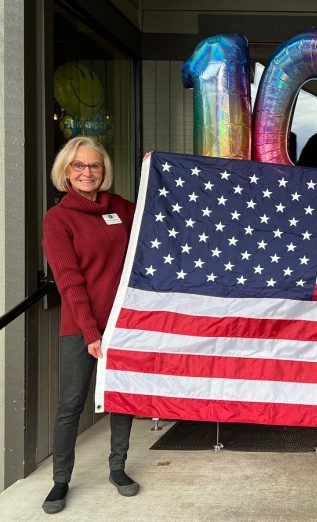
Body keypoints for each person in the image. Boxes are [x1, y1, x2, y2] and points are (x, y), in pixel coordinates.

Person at [41, 136, 138, 514]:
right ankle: (60, 481)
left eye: (94, 166)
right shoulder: (58, 219)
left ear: (104, 171)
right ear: (66, 170)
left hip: (123, 323)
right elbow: (69, 281)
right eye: (79, 166)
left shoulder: (120, 209)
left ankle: (118, 468)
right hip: (81, 326)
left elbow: (157, 208)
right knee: (70, 405)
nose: (87, 172)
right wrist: (90, 331)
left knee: (120, 398)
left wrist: (154, 168)